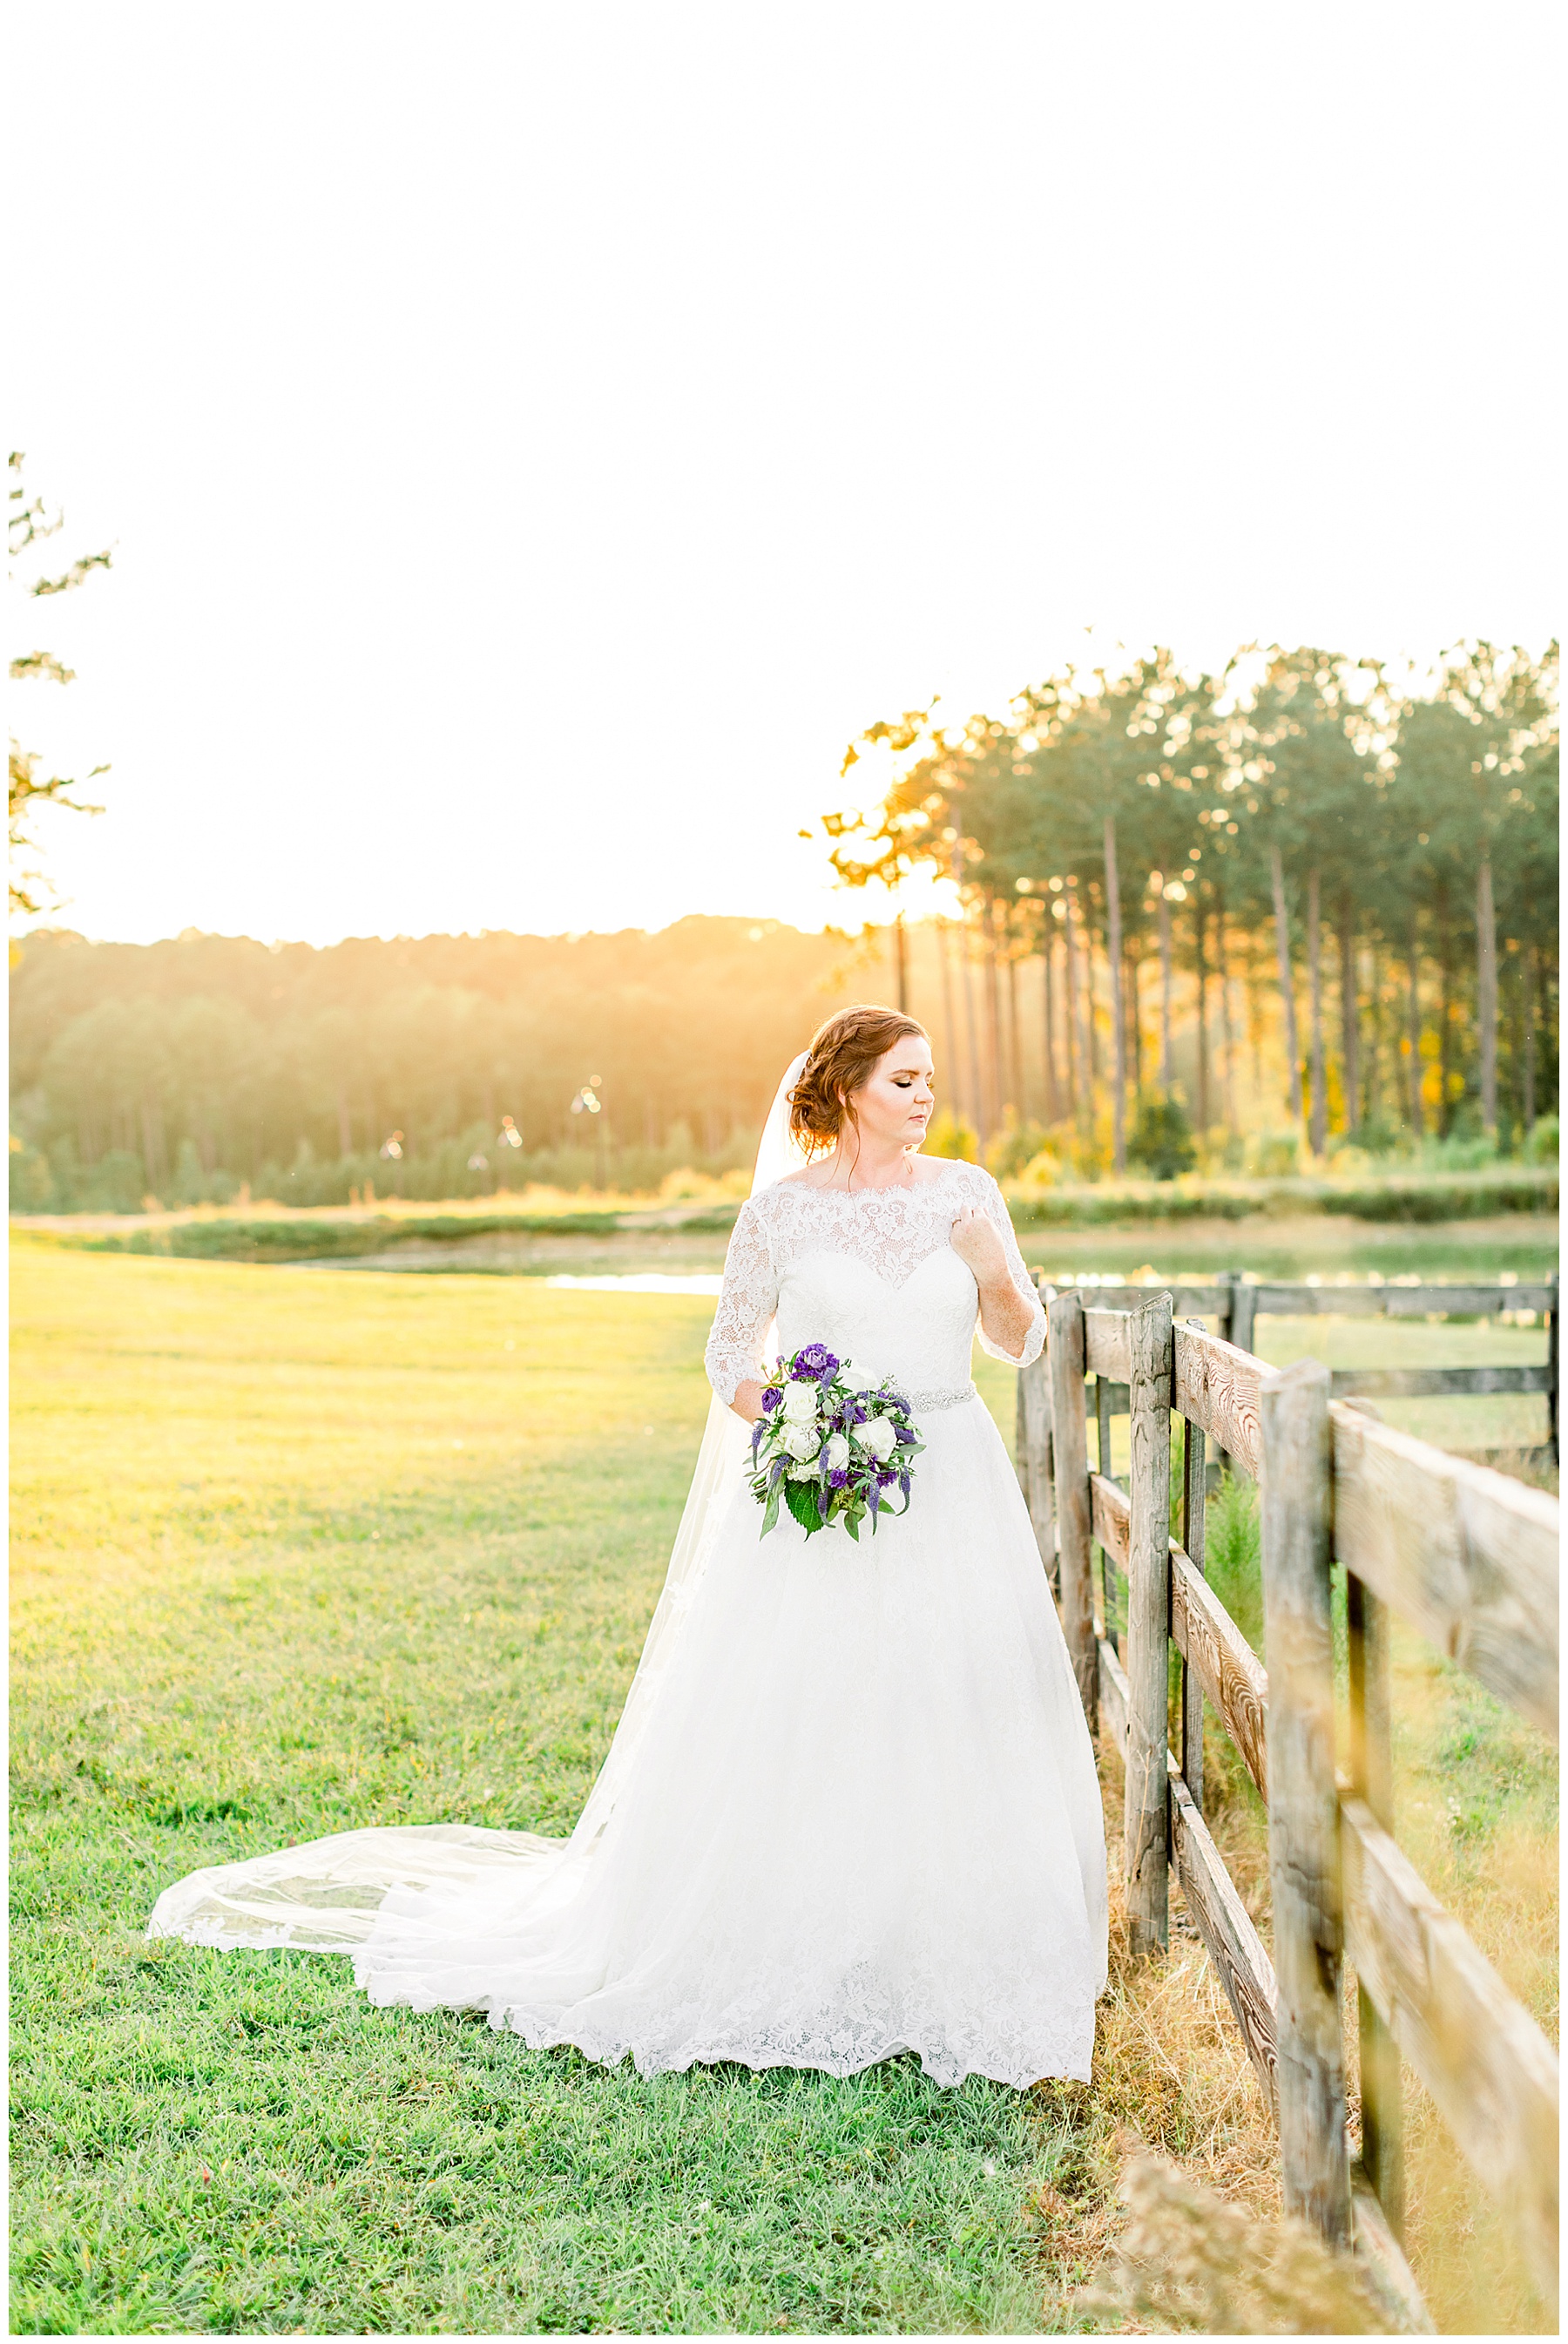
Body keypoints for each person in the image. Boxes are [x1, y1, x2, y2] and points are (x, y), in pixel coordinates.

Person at [149, 1005, 1107, 2087]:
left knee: (953, 1696)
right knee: (819, 1701)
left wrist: (997, 1273)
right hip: (823, 1497)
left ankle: (956, 1939)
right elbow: (726, 1357)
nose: (926, 1096)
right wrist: (807, 1426)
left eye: (931, 1078)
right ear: (845, 1090)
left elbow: (1019, 1340)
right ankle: (809, 1932)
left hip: (950, 1481)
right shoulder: (781, 1215)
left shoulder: (967, 1196)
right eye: (902, 1080)